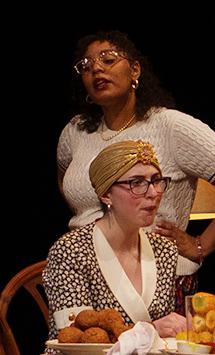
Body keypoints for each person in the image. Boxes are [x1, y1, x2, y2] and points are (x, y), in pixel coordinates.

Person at [53, 29, 215, 268]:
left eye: (109, 60)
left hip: (156, 273)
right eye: (86, 66)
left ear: (135, 70)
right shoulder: (75, 131)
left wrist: (201, 245)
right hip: (85, 270)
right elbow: (66, 184)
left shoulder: (170, 125)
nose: (97, 69)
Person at [38, 135, 197, 331]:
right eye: (136, 183)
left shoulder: (164, 250)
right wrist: (151, 329)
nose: (153, 193)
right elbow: (76, 336)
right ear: (106, 194)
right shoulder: (71, 251)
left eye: (156, 181)